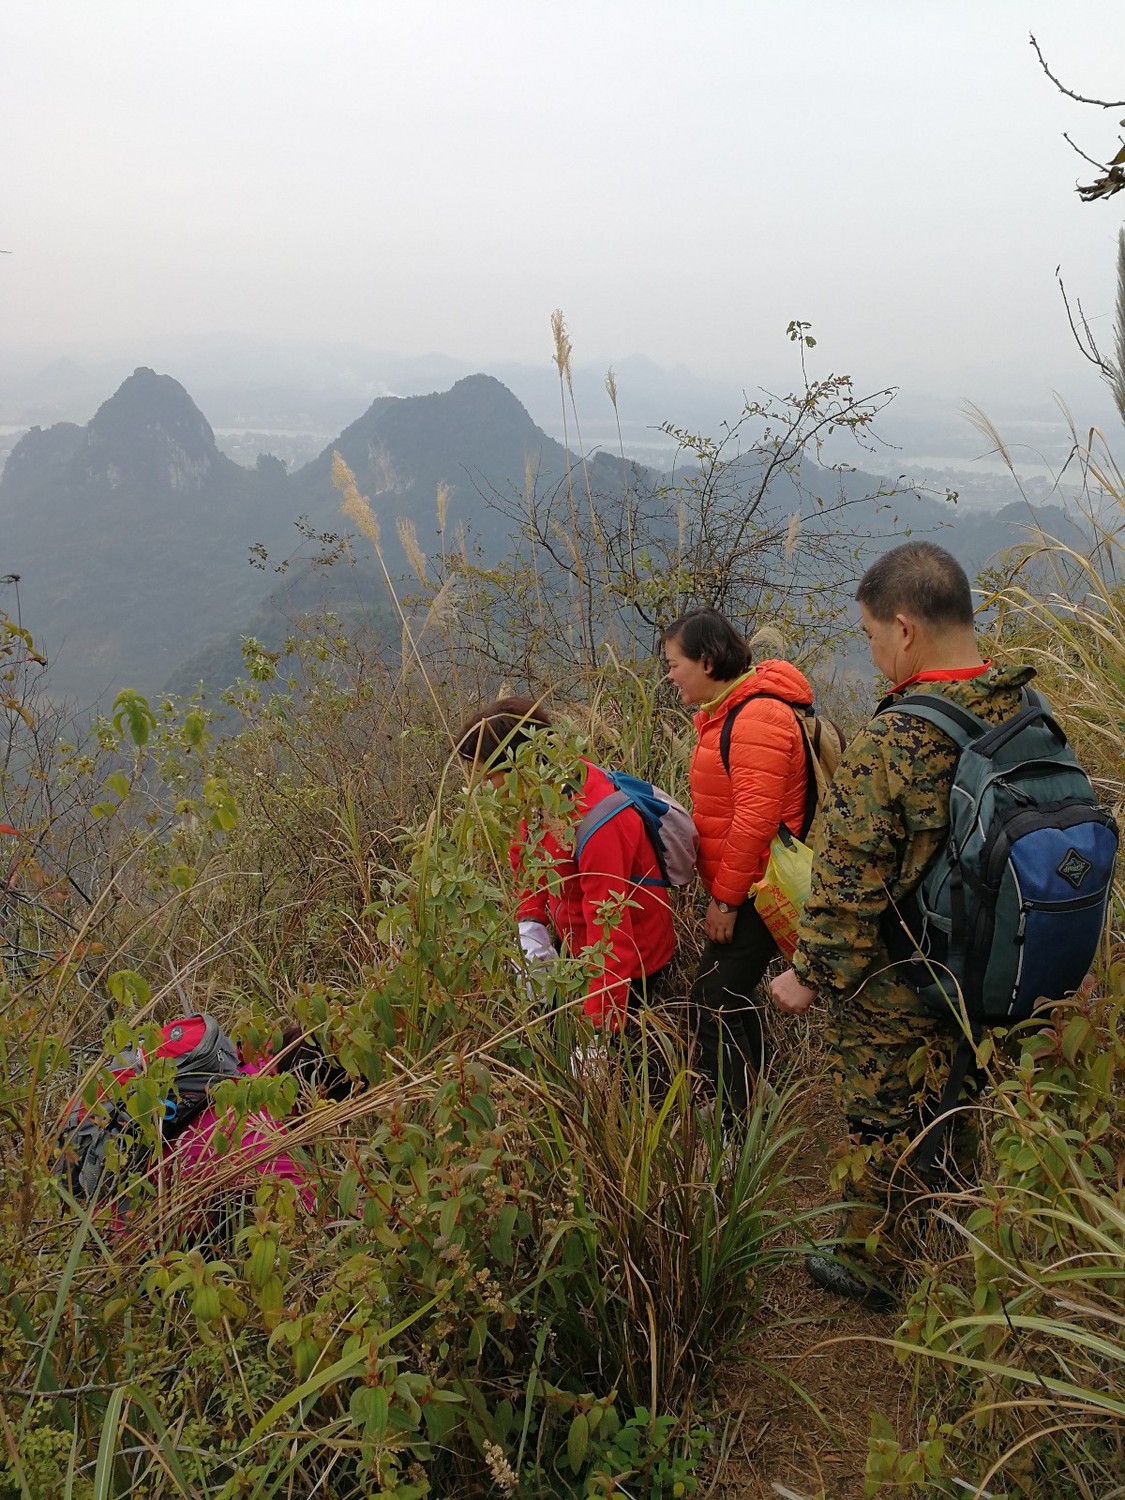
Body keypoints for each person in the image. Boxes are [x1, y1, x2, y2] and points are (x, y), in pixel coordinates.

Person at [770, 541, 1032, 1311]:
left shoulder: (895, 739)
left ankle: (872, 1262)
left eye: (869, 634)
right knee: (967, 1095)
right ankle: (965, 1239)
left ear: (905, 628)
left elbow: (849, 880)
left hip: (910, 976)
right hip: (1001, 966)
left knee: (883, 1113)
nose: (873, 650)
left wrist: (808, 975)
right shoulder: (1024, 708)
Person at [662, 609, 813, 1116]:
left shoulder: (756, 717)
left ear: (706, 661)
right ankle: (756, 1099)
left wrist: (724, 899)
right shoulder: (728, 712)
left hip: (757, 887)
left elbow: (755, 819)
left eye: (673, 663)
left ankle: (735, 1123)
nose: (670, 674)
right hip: (745, 882)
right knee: (726, 994)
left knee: (712, 999)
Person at [454, 696, 676, 1033]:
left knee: (617, 1062)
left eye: (484, 777)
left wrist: (597, 1033)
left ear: (517, 764)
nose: (475, 789)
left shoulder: (597, 821)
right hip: (579, 949)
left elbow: (612, 937)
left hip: (630, 966)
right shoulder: (538, 796)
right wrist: (532, 927)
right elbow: (528, 864)